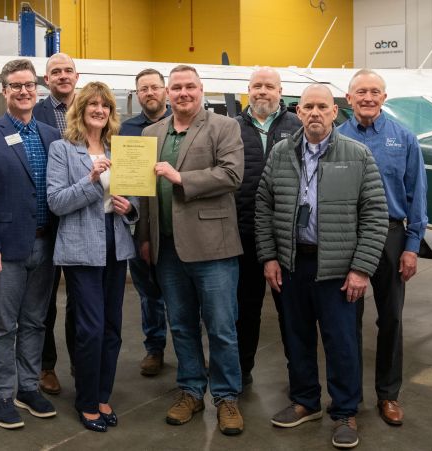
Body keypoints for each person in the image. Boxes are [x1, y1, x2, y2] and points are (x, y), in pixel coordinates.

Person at [256, 83, 387, 449]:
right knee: (295, 337)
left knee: (341, 342)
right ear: (298, 112)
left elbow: (376, 214)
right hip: (293, 263)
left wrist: (361, 269)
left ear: (334, 112)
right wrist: (269, 257)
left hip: (339, 270)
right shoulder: (282, 153)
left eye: (322, 107)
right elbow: (264, 207)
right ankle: (305, 401)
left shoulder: (357, 155)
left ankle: (345, 410)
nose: (315, 113)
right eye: (308, 107)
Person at [137, 65, 245, 436]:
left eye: (190, 87)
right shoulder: (152, 133)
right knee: (181, 326)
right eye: (177, 87)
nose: (183, 93)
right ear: (167, 93)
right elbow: (146, 191)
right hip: (167, 249)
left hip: (214, 248)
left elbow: (232, 174)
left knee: (221, 328)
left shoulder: (224, 127)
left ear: (201, 90)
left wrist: (181, 178)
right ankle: (191, 391)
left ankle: (227, 397)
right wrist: (146, 238)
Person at [0, 58, 61, 430]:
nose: (24, 91)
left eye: (29, 85)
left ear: (37, 90)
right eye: (16, 86)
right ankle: (3, 394)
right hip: (5, 250)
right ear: (4, 92)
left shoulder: (52, 136)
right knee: (3, 324)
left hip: (45, 245)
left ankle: (27, 386)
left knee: (36, 321)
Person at [47, 81, 138, 432]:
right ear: (81, 110)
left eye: (105, 106)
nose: (99, 110)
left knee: (113, 327)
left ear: (111, 112)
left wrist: (129, 207)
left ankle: (102, 394)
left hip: (116, 246)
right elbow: (56, 202)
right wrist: (91, 179)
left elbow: (136, 200)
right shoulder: (62, 149)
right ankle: (86, 401)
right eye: (92, 105)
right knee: (91, 328)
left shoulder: (121, 148)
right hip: (81, 249)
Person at [338, 69, 428, 426]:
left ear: (384, 98)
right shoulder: (335, 137)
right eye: (361, 92)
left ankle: (388, 395)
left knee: (390, 318)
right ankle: (350, 398)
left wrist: (412, 245)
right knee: (347, 320)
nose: (368, 98)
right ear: (349, 99)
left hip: (391, 236)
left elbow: (416, 193)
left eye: (375, 91)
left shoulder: (404, 139)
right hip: (348, 236)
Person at [233, 67, 300, 387]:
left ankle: (298, 374)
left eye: (269, 86)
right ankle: (242, 372)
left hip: (287, 235)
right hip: (243, 233)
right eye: (257, 86)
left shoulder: (297, 126)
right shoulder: (231, 128)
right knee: (245, 310)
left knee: (291, 312)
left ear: (280, 91)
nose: (262, 91)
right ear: (248, 90)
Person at [119, 68, 171, 377]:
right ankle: (155, 347)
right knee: (148, 291)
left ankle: (190, 348)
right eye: (143, 89)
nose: (149, 93)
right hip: (138, 222)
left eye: (154, 87)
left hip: (174, 221)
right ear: (137, 94)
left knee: (183, 291)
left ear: (164, 90)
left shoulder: (180, 124)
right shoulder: (127, 129)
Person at [33, 52, 80, 395]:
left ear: (76, 76)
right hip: (49, 221)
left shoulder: (94, 107)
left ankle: (81, 361)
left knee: (81, 302)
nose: (62, 76)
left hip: (84, 218)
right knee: (44, 303)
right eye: (55, 72)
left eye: (67, 70)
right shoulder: (33, 113)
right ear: (46, 80)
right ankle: (46, 366)